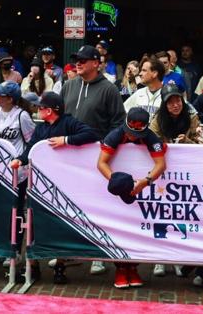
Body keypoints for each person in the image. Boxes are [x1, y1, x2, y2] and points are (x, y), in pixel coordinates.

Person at [10, 91, 99, 285]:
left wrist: (65, 140)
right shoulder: (41, 128)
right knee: (33, 223)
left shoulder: (69, 123)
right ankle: (32, 267)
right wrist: (20, 159)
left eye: (41, 107)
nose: (38, 110)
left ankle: (60, 265)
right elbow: (31, 147)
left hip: (64, 186)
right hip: (40, 185)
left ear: (50, 110)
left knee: (61, 225)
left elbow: (92, 134)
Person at [62, 44, 125, 277]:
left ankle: (98, 255)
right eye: (77, 59)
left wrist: (106, 150)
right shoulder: (68, 85)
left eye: (84, 60)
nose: (78, 63)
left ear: (96, 63)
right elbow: (59, 118)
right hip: (68, 157)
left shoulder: (109, 89)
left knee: (97, 208)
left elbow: (119, 124)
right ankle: (69, 250)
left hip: (97, 158)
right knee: (68, 206)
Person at [97, 107, 167, 289]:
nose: (134, 138)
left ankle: (134, 267)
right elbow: (101, 163)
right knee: (117, 226)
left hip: (142, 189)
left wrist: (145, 181)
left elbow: (161, 164)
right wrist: (118, 183)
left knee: (138, 227)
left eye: (138, 134)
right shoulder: (115, 135)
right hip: (118, 190)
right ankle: (120, 268)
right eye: (131, 134)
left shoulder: (151, 137)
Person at [0, 81, 35, 158]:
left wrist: (22, 160)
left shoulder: (22, 116)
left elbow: (31, 142)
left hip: (15, 161)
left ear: (10, 99)